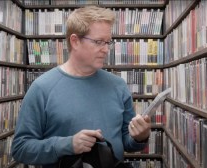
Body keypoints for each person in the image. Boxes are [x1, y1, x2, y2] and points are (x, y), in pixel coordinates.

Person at [11, 5, 151, 167]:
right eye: (99, 42)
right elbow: (20, 148)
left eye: (108, 42)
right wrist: (68, 145)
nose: (106, 50)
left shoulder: (118, 86)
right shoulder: (42, 88)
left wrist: (140, 136)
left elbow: (127, 141)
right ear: (75, 41)